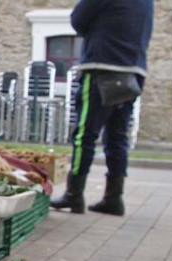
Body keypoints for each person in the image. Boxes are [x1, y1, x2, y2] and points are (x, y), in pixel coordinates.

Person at [51, 0, 153, 216]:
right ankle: (114, 198)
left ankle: (74, 194)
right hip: (134, 70)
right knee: (117, 136)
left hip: (102, 66)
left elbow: (78, 20)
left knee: (84, 135)